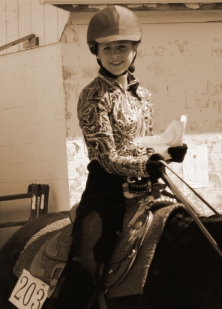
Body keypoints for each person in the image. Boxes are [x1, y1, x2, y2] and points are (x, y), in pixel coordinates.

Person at [71, 5, 187, 279]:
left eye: (122, 47)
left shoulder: (143, 95)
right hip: (106, 193)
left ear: (135, 49)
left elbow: (142, 146)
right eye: (107, 48)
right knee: (86, 268)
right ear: (95, 51)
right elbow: (107, 158)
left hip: (147, 188)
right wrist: (145, 164)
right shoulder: (92, 96)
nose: (115, 55)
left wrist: (168, 153)